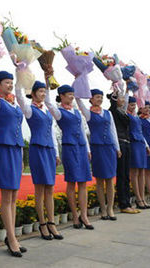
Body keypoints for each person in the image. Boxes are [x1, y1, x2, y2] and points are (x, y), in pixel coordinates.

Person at [0, 65, 27, 257]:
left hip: (16, 149)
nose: (10, 85)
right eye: (7, 82)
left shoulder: (14, 102)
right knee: (6, 195)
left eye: (11, 82)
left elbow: (20, 88)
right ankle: (11, 238)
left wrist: (21, 68)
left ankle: (12, 236)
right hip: (3, 148)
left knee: (14, 195)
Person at [16, 80, 63, 240]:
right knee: (40, 189)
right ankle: (42, 223)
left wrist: (56, 153)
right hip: (37, 150)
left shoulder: (48, 111)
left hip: (49, 150)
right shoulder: (29, 110)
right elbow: (20, 97)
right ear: (34, 93)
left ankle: (51, 222)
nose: (43, 94)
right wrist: (21, 75)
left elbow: (51, 133)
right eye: (41, 91)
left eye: (45, 91)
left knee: (50, 188)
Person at [45, 84, 94, 230]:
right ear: (61, 96)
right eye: (69, 94)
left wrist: (88, 149)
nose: (72, 97)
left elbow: (83, 131)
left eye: (73, 94)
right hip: (69, 147)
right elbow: (48, 102)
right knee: (72, 182)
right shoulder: (59, 112)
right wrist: (47, 83)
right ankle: (75, 215)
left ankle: (84, 215)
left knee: (84, 182)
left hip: (81, 147)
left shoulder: (77, 112)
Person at [76, 89, 120, 221]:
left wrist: (117, 147)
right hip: (97, 148)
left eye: (101, 97)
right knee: (100, 180)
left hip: (109, 147)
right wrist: (79, 83)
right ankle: (103, 208)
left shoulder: (108, 113)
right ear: (91, 99)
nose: (99, 99)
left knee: (111, 180)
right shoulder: (88, 114)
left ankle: (110, 208)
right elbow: (78, 102)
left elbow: (113, 130)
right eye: (97, 97)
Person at [108, 92, 140, 214]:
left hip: (127, 143)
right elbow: (113, 104)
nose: (123, 100)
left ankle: (127, 203)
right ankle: (123, 203)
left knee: (126, 175)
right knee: (121, 175)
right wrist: (116, 89)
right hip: (119, 143)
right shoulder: (113, 111)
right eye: (120, 98)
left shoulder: (123, 112)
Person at [127, 96, 150, 210]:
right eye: (131, 105)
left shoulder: (136, 117)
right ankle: (138, 198)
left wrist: (146, 146)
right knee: (134, 172)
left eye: (134, 105)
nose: (133, 107)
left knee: (142, 171)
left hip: (141, 144)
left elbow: (140, 132)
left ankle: (142, 197)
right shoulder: (125, 115)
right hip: (133, 144)